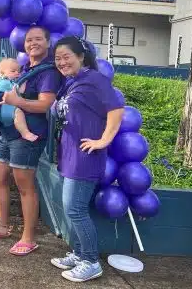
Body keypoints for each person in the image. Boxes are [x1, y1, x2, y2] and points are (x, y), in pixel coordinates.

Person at [0, 26, 62, 258]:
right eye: (29, 39)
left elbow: (45, 105)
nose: (33, 43)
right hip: (7, 133)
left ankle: (28, 238)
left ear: (48, 42)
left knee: (25, 186)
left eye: (38, 39)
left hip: (29, 135)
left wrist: (17, 101)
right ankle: (1, 225)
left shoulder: (49, 73)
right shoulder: (23, 70)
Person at [50, 36, 124, 283]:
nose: (62, 62)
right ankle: (80, 253)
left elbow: (116, 109)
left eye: (66, 57)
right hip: (70, 155)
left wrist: (103, 140)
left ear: (81, 57)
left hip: (85, 157)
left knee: (75, 209)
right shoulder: (72, 82)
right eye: (58, 58)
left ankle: (91, 262)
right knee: (72, 209)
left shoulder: (95, 79)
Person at [0, 58, 40, 142]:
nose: (17, 73)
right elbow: (20, 91)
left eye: (18, 71)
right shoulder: (7, 82)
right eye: (13, 71)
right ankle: (25, 133)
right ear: (2, 73)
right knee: (18, 113)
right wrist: (25, 81)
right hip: (3, 106)